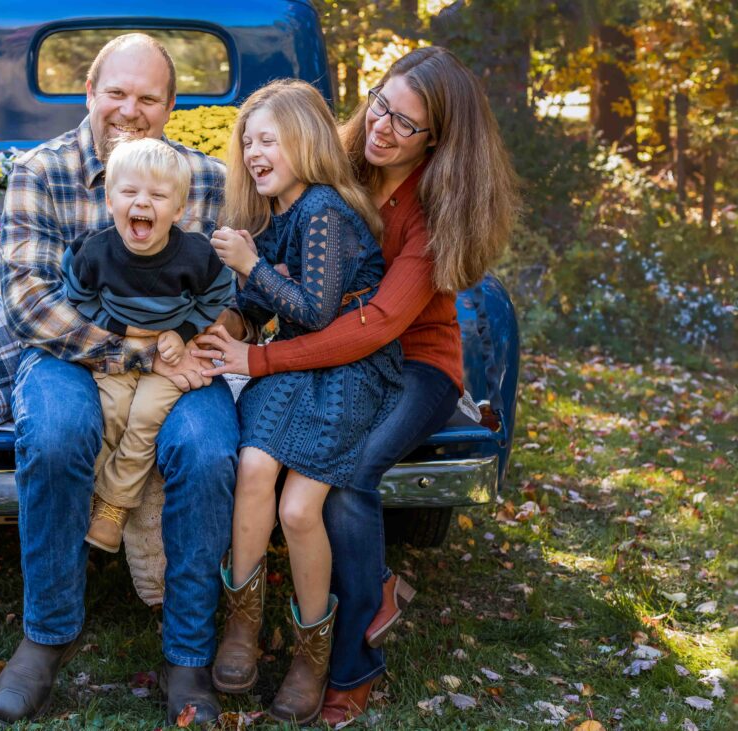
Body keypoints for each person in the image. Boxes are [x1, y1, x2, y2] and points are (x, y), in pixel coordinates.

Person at [196, 46, 518, 725]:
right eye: (381, 105)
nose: (383, 127)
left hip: (412, 363)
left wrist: (257, 361)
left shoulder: (432, 208)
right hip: (328, 355)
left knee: (348, 481)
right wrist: (233, 319)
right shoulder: (336, 168)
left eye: (406, 123)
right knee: (274, 471)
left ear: (436, 139)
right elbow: (280, 255)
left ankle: (349, 662)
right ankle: (281, 613)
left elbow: (372, 325)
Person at [0, 33, 247, 726]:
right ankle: (47, 633)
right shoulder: (40, 170)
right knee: (56, 432)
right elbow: (29, 301)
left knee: (208, 450)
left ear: (169, 107)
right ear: (90, 94)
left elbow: (232, 295)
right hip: (70, 355)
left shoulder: (208, 180)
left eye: (148, 97)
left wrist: (206, 341)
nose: (130, 109)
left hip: (180, 360)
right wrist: (135, 354)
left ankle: (188, 651)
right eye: (116, 92)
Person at [206, 79, 403, 726]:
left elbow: (317, 313)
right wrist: (227, 328)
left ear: (305, 142)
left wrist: (250, 263)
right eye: (248, 140)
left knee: (297, 509)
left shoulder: (322, 208)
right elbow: (264, 306)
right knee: (254, 469)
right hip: (296, 363)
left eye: (268, 139)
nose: (253, 150)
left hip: (348, 367)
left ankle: (312, 650)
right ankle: (242, 624)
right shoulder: (279, 212)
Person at [61, 138, 233, 553]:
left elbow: (218, 298)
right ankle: (95, 493)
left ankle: (113, 508)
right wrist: (124, 330)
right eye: (130, 192)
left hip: (174, 357)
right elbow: (78, 298)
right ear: (109, 200)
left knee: (143, 419)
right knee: (112, 412)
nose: (143, 203)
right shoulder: (93, 252)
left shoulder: (196, 255)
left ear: (178, 210)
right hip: (118, 351)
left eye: (157, 195)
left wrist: (183, 333)